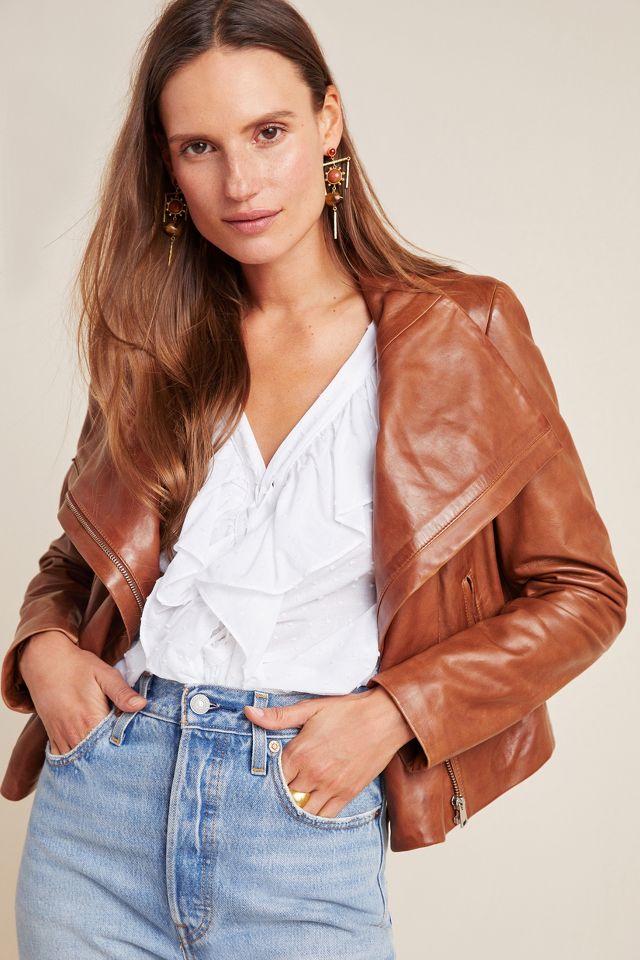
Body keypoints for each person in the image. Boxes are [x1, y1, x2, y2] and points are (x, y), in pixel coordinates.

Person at [1, 0, 628, 957]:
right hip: (99, 812)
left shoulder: (461, 333)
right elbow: (84, 557)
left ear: (328, 121)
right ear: (167, 166)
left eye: (268, 132)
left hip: (299, 828)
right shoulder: (154, 340)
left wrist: (395, 713)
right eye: (200, 147)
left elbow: (583, 592)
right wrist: (44, 648)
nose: (240, 182)